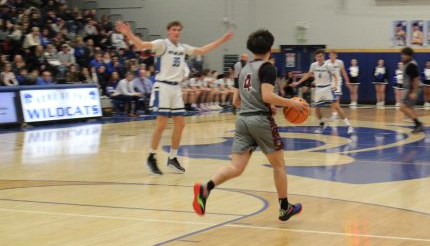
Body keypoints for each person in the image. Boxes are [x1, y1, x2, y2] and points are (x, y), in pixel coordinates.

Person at [192, 29, 307, 221]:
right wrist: (291, 103)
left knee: (236, 167)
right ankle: (284, 207)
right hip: (260, 121)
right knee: (279, 166)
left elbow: (236, 102)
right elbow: (267, 96)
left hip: (243, 120)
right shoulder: (268, 68)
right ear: (271, 48)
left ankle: (206, 188)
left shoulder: (243, 69)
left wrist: (264, 105)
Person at [115, 20, 233, 175]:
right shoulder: (162, 44)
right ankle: (151, 156)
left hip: (176, 88)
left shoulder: (182, 48)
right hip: (162, 86)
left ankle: (172, 157)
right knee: (161, 124)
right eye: (174, 29)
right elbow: (142, 45)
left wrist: (222, 40)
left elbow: (202, 50)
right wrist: (128, 34)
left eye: (178, 30)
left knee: (181, 124)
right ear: (168, 31)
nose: (176, 32)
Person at [292, 49, 354, 134]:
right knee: (317, 109)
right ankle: (322, 125)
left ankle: (348, 126)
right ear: (315, 57)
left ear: (323, 57)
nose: (319, 58)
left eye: (321, 56)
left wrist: (335, 85)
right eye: (318, 56)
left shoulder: (328, 65)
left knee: (336, 106)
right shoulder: (313, 65)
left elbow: (335, 76)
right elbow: (308, 75)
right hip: (318, 89)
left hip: (328, 88)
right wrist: (298, 82)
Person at [399, 48, 424, 134]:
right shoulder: (407, 63)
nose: (402, 56)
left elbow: (416, 79)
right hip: (410, 88)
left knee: (402, 107)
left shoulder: (411, 65)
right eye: (402, 54)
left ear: (409, 56)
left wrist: (414, 92)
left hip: (413, 88)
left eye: (404, 54)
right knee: (409, 108)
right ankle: (418, 124)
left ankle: (418, 124)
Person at [325, 51, 351, 120]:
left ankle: (335, 114)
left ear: (336, 56)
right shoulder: (326, 62)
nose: (332, 56)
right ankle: (334, 114)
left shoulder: (340, 62)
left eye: (333, 55)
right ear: (329, 56)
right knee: (332, 99)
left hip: (338, 82)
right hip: (329, 82)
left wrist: (347, 81)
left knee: (336, 99)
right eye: (330, 55)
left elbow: (343, 71)